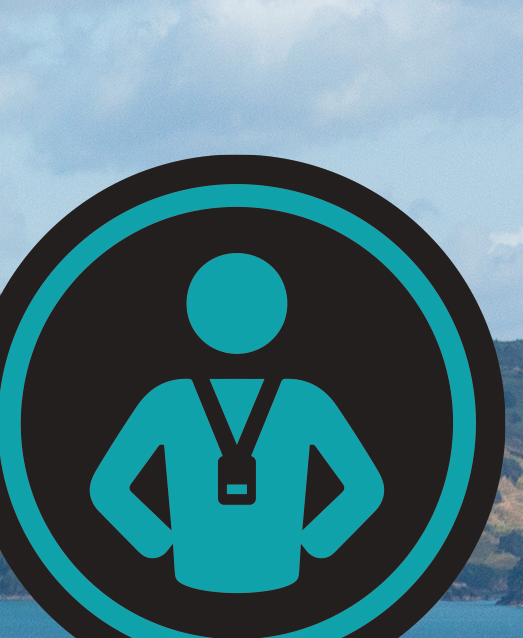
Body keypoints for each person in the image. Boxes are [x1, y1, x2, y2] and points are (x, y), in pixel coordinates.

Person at [89, 253, 382, 594]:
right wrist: (314, 543)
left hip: (195, 569)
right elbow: (366, 488)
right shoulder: (306, 399)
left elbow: (107, 488)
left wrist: (159, 543)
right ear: (276, 314)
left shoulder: (167, 400)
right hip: (278, 569)